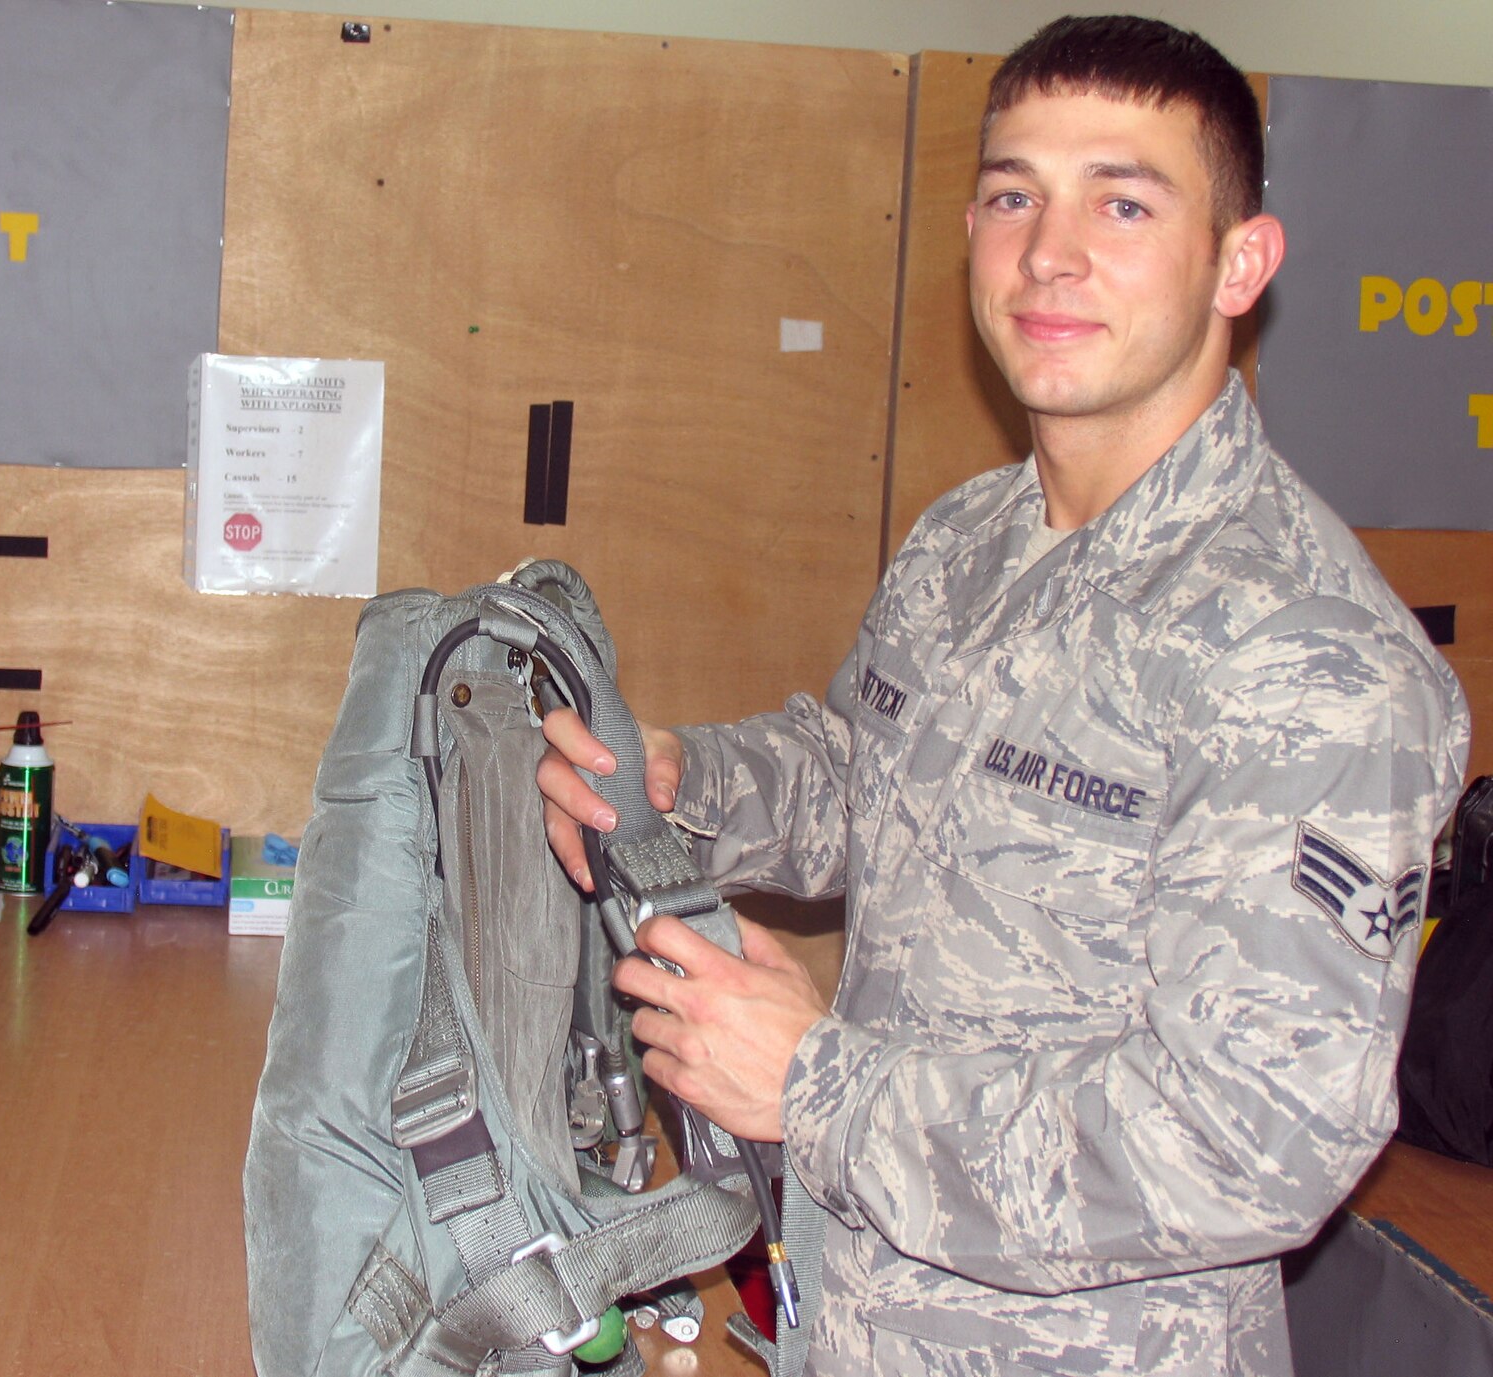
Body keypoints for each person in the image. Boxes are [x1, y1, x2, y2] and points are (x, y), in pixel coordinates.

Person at [537, 15, 1471, 1375]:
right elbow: (869, 776)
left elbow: (1254, 1140)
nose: (1050, 251)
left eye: (1125, 199)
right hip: (856, 1326)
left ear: (1240, 263)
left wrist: (816, 1083)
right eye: (1014, 193)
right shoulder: (968, 541)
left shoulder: (1310, 659)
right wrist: (690, 781)